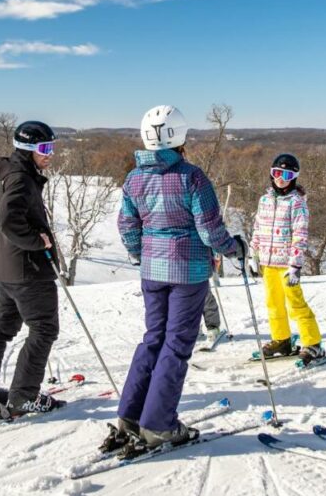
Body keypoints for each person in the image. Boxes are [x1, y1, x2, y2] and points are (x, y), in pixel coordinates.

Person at [104, 105, 247, 454]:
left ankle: (130, 416)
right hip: (188, 271)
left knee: (154, 338)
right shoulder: (191, 177)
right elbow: (210, 229)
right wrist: (234, 249)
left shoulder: (134, 178)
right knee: (176, 344)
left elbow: (127, 225)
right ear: (180, 136)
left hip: (152, 271)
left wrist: (141, 253)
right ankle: (158, 424)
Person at [0, 120, 64, 418]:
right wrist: (37, 241)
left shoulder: (15, 173)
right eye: (45, 148)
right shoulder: (21, 178)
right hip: (28, 270)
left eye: (52, 147)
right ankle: (23, 396)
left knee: (2, 328)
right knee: (44, 328)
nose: (50, 154)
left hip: (9, 269)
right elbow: (10, 221)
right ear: (28, 148)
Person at [250, 154, 324, 365]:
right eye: (276, 173)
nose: (280, 178)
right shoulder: (264, 200)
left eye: (286, 174)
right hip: (267, 262)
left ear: (294, 177)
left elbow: (301, 235)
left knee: (295, 304)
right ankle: (281, 339)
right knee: (273, 304)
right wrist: (253, 255)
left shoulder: (297, 202)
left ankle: (313, 342)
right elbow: (257, 229)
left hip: (286, 265)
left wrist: (295, 265)